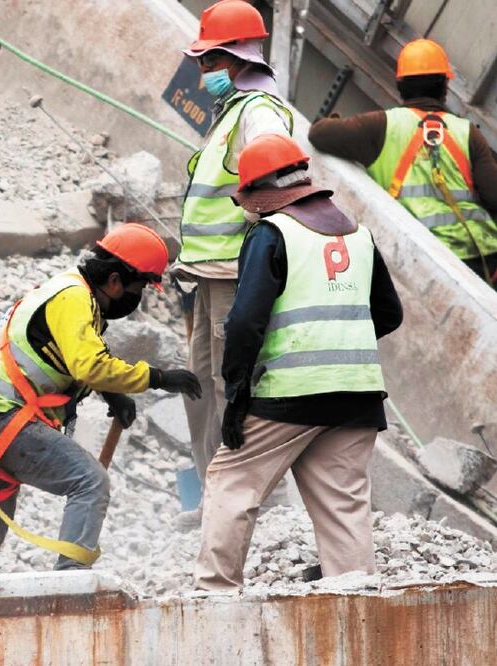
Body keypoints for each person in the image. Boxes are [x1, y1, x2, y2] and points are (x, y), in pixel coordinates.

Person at [194, 134, 403, 591]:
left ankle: (215, 594)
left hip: (287, 396)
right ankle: (356, 601)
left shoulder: (272, 233)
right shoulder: (359, 234)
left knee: (233, 481)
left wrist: (236, 397)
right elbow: (389, 314)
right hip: (358, 397)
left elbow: (246, 322)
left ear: (263, 193)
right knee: (342, 505)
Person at [0, 223, 203, 577]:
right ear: (114, 280)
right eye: (139, 286)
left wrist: (114, 394)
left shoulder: (67, 291)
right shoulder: (74, 298)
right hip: (2, 420)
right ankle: (70, 583)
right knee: (90, 481)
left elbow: (69, 358)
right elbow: (91, 365)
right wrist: (158, 377)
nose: (138, 295)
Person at [174, 0, 295, 529]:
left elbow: (276, 188)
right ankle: (214, 496)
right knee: (201, 386)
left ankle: (248, 502)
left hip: (234, 274)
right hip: (207, 275)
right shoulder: (234, 111)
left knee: (232, 387)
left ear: (234, 57)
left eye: (207, 62)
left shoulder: (260, 113)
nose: (201, 73)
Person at [309, 38, 497, 287]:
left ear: (400, 85)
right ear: (445, 86)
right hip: (480, 257)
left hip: (420, 257)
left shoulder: (382, 126)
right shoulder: (467, 132)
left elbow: (319, 134)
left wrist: (335, 120)